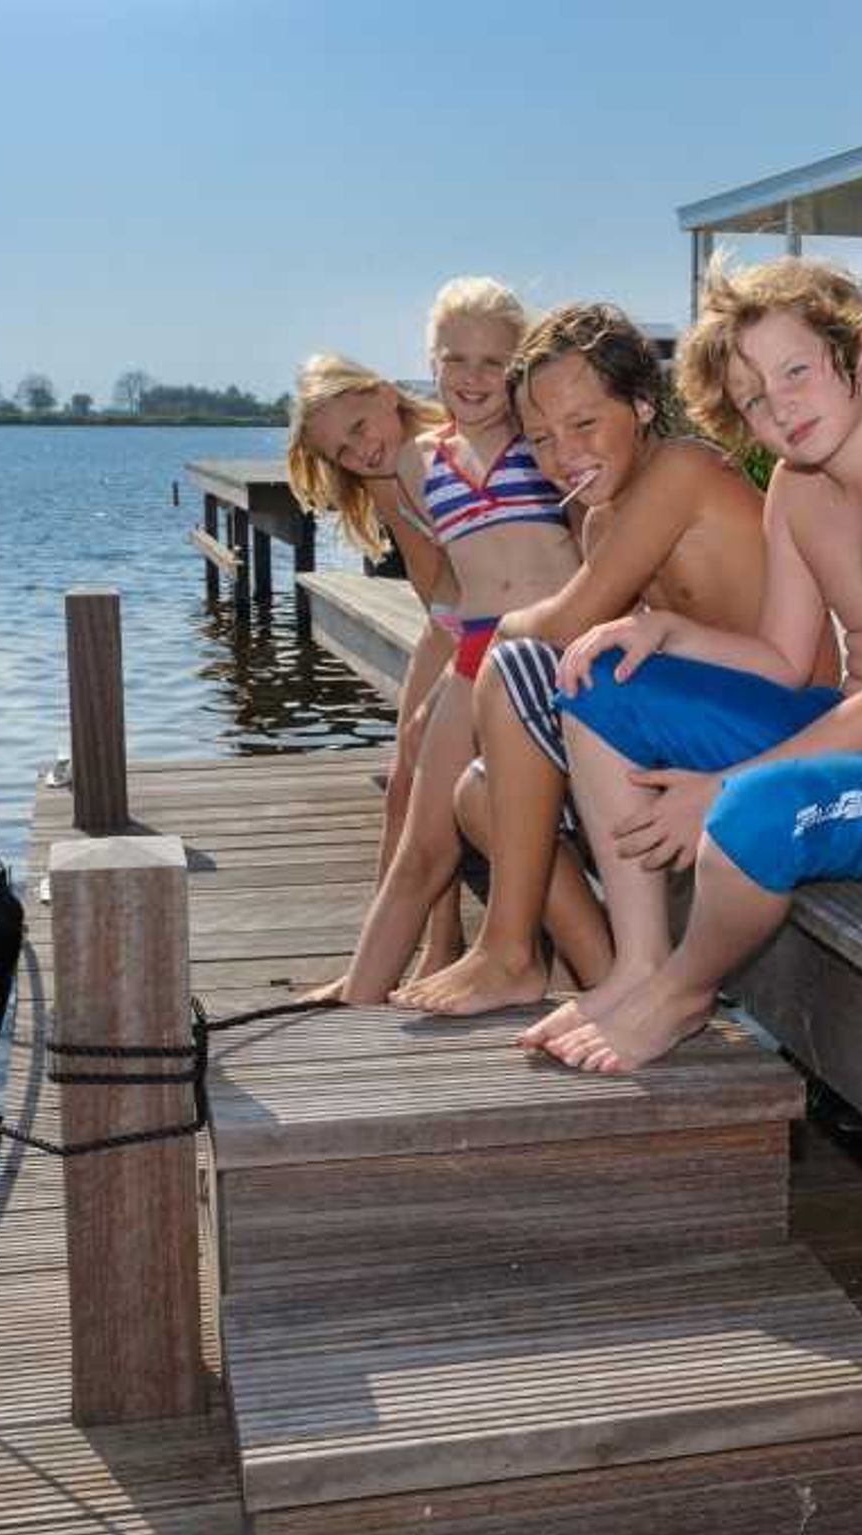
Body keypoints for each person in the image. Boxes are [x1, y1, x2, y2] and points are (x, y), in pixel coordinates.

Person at [528, 256, 862, 1073]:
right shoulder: (796, 487)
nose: (780, 406)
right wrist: (665, 629)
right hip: (859, 727)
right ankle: (635, 962)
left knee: (750, 813)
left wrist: (717, 787)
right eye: (753, 398)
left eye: (796, 372)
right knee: (597, 680)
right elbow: (782, 660)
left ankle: (682, 992)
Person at [393, 300, 834, 1016]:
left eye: (584, 424)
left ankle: (511, 954)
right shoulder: (600, 519)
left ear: (642, 404)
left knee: (515, 664)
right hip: (697, 725)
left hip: (792, 723)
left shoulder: (684, 469)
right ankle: (606, 977)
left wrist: (490, 631)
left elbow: (564, 623)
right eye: (540, 439)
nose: (563, 454)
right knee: (479, 795)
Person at [326, 277, 582, 1004]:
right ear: (430, 363)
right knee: (421, 844)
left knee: (559, 821)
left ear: (519, 365)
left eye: (493, 362)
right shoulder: (417, 462)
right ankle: (358, 1003)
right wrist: (438, 682)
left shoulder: (544, 442)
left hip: (557, 644)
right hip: (477, 654)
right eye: (454, 360)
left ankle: (565, 972)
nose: (472, 377)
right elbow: (442, 582)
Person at [288, 354, 467, 983]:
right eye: (342, 451)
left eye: (360, 426)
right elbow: (429, 579)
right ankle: (420, 943)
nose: (360, 450)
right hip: (451, 620)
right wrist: (441, 657)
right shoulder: (384, 478)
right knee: (402, 785)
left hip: (497, 619)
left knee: (434, 772)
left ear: (386, 393)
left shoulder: (450, 447)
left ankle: (433, 950)